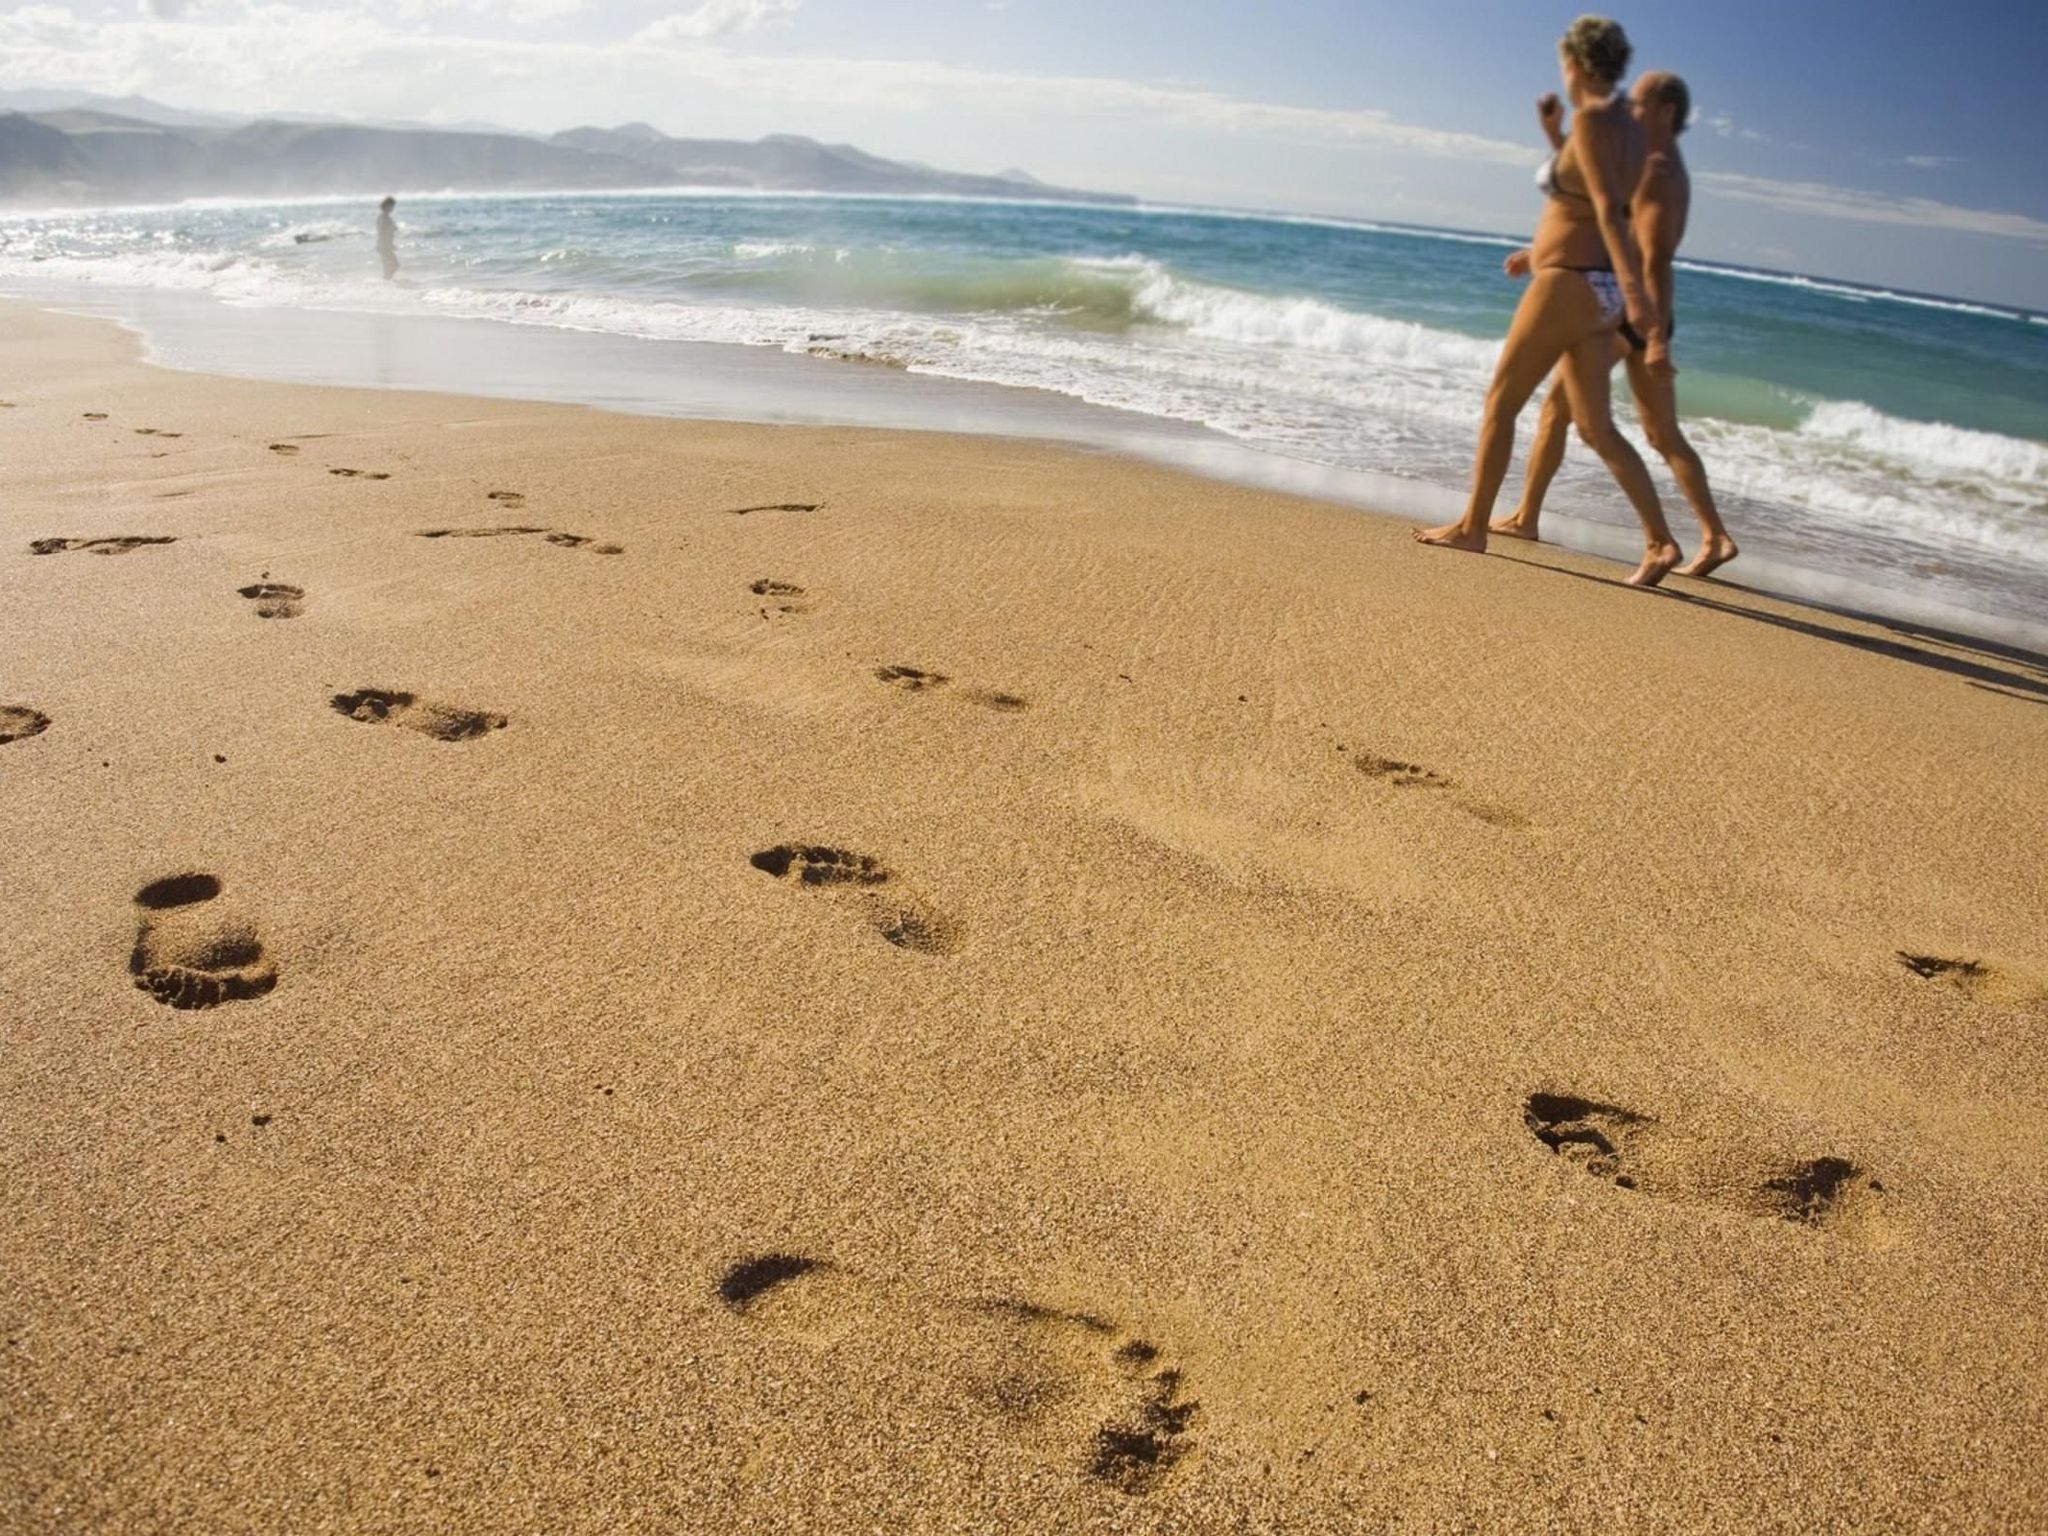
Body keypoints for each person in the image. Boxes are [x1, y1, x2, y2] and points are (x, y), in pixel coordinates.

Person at [1414, 16, 1684, 588]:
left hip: (1567, 284)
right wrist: (1553, 146)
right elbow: (1593, 197)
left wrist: (1641, 305)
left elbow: (1608, 209)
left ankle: (1472, 527)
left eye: (1563, 60)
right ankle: (1660, 541)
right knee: (1594, 426)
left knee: (1500, 404)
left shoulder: (1592, 119)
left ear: (1578, 63)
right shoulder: (1629, 131)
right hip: (1596, 287)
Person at [1491, 72, 1739, 578]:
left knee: (1570, 413)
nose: (1627, 110)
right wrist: (1540, 249)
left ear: (1666, 110)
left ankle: (1540, 519)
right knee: (1659, 433)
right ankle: (1713, 536)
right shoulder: (1652, 165)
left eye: (1638, 102)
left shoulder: (1658, 169)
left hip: (1633, 315)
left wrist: (1649, 337)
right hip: (1643, 316)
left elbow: (1654, 258)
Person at [376, 196, 398, 282]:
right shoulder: (383, 218)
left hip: (384, 245)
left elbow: (386, 232)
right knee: (394, 265)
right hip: (384, 246)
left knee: (389, 265)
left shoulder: (384, 217)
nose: (392, 208)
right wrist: (388, 245)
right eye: (391, 206)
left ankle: (387, 281)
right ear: (386, 206)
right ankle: (387, 280)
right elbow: (383, 232)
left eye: (393, 206)